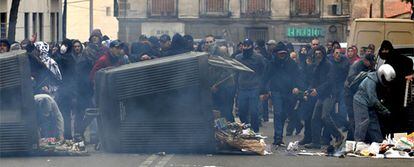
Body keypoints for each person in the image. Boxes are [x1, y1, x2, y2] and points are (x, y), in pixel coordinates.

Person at [261, 42, 303, 146]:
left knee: (285, 113)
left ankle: (289, 129)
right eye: (280, 54)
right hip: (276, 91)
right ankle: (278, 138)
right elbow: (265, 78)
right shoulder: (272, 64)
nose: (282, 56)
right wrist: (263, 92)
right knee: (278, 113)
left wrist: (297, 86)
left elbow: (297, 76)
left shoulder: (292, 64)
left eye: (284, 53)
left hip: (289, 92)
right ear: (276, 54)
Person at [303, 46, 341, 149]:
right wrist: (309, 90)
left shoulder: (329, 65)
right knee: (315, 118)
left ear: (323, 55)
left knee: (325, 116)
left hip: (330, 94)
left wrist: (317, 90)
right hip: (322, 95)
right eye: (316, 54)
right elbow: (314, 81)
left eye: (320, 54)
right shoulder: (317, 66)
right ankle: (316, 142)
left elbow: (329, 81)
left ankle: (339, 136)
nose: (318, 55)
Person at [377, 40, 414, 135]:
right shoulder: (389, 62)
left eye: (386, 50)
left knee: (399, 119)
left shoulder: (391, 62)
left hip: (401, 95)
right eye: (383, 50)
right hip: (397, 96)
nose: (384, 52)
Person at [353, 64, 395, 143]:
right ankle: (358, 143)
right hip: (360, 101)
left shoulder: (378, 80)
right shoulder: (371, 81)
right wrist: (384, 110)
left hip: (369, 103)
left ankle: (378, 142)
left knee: (374, 123)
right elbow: (373, 99)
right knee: (363, 122)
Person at [235, 39, 265, 133]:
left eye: (248, 45)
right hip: (242, 88)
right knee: (241, 112)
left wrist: (262, 87)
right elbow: (235, 72)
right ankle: (246, 130)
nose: (246, 47)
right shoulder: (238, 58)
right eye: (244, 45)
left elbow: (263, 71)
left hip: (254, 88)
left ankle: (255, 131)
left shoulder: (258, 57)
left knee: (254, 112)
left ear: (252, 46)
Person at [343, 53, 376, 140]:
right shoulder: (356, 66)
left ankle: (351, 139)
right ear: (365, 61)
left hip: (358, 95)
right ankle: (352, 140)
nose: (372, 65)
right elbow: (351, 79)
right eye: (370, 63)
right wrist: (364, 75)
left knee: (357, 119)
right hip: (350, 94)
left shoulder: (368, 66)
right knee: (353, 118)